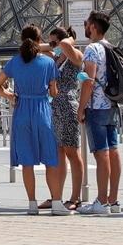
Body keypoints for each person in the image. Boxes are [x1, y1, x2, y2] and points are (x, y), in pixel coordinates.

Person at [0, 25, 62, 215]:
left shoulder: (14, 62)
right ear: (40, 40)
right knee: (50, 159)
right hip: (42, 110)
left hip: (22, 109)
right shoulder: (48, 63)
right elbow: (54, 92)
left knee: (27, 161)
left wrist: (9, 96)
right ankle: (56, 202)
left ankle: (32, 204)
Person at [77, 11, 121, 216]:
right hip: (113, 105)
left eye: (87, 24)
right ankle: (113, 200)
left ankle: (101, 202)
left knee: (101, 154)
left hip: (97, 106)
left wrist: (81, 107)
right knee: (113, 152)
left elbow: (89, 81)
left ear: (93, 26)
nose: (85, 27)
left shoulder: (92, 49)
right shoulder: (111, 47)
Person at [45, 26, 83, 212]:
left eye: (54, 42)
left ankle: (75, 197)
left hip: (68, 106)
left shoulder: (75, 55)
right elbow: (37, 47)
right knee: (58, 154)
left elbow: (66, 44)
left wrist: (68, 39)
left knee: (72, 154)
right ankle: (56, 197)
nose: (51, 46)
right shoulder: (56, 58)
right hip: (54, 107)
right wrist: (53, 45)